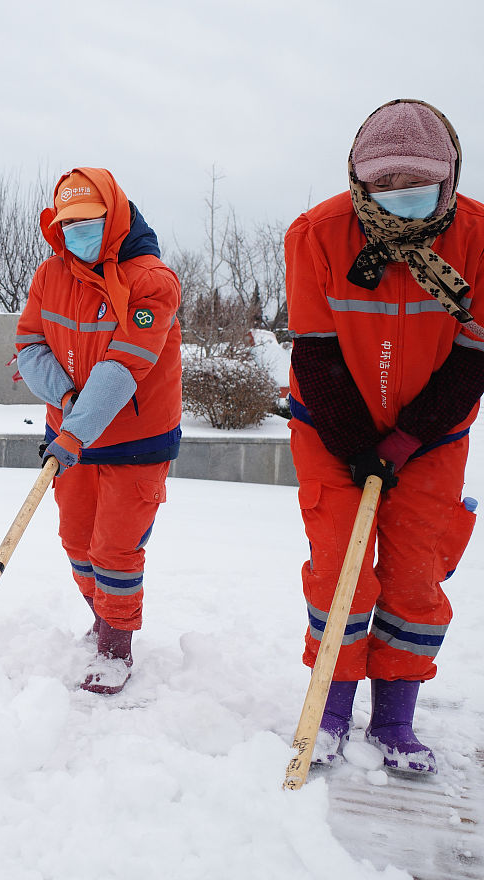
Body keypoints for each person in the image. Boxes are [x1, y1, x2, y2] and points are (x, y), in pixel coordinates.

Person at [286, 99, 483, 774]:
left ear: (448, 177)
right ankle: (330, 710)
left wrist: (404, 441)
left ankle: (395, 719)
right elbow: (315, 352)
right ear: (358, 179)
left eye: (418, 183)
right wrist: (357, 446)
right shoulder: (316, 234)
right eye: (385, 184)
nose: (401, 196)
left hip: (432, 435)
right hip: (331, 425)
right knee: (339, 565)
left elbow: (474, 357)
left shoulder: (479, 238)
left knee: (416, 573)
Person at [15, 168, 183, 694]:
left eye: (88, 221)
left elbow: (123, 366)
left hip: (136, 441)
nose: (76, 232)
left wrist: (76, 428)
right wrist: (67, 403)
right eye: (67, 223)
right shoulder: (50, 275)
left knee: (115, 549)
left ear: (114, 218)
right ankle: (101, 615)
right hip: (71, 435)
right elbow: (29, 346)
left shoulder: (152, 280)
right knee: (76, 540)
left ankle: (116, 645)